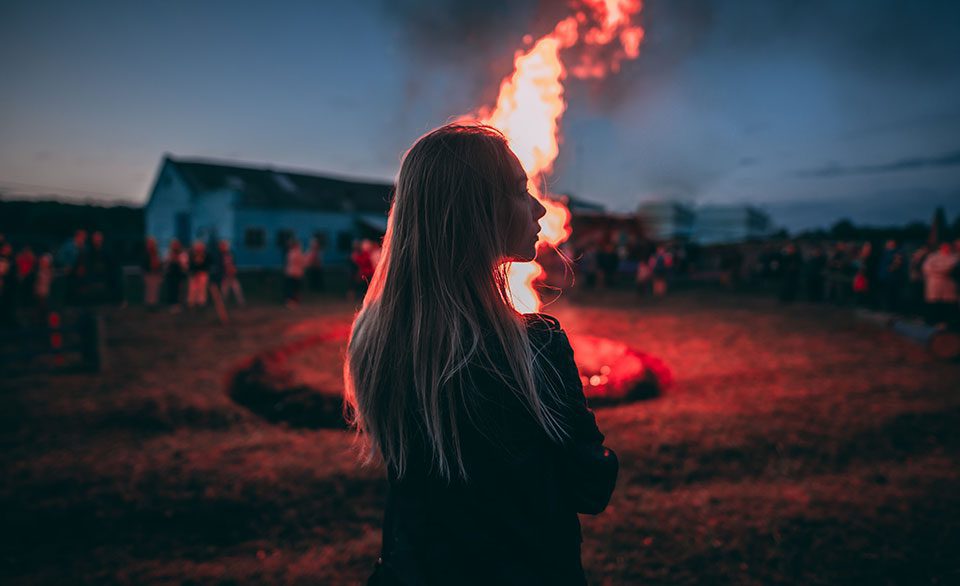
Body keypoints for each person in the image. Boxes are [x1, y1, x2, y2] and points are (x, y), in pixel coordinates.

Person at [345, 124, 618, 586]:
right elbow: (588, 486)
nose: (538, 209)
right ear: (471, 212)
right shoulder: (532, 346)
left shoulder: (376, 339)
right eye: (518, 191)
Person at [922, 242, 959, 328]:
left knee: (947, 304)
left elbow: (949, 268)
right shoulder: (932, 256)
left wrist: (936, 270)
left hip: (948, 285)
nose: (945, 248)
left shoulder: (954, 258)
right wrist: (940, 271)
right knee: (933, 304)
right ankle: (932, 322)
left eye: (947, 247)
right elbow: (926, 268)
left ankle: (946, 323)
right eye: (944, 247)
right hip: (934, 284)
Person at [217, 240, 245, 306]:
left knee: (237, 289)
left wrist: (233, 270)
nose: (224, 247)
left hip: (232, 275)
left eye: (225, 246)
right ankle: (223, 303)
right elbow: (219, 266)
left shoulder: (230, 254)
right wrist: (223, 272)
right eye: (223, 246)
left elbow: (233, 263)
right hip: (225, 275)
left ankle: (241, 303)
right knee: (224, 290)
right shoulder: (219, 255)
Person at [186, 240, 211, 308]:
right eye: (198, 247)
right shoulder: (191, 255)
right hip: (193, 274)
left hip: (203, 274)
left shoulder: (206, 255)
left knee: (202, 289)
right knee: (192, 289)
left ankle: (201, 302)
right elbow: (190, 265)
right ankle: (191, 302)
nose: (199, 248)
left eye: (200, 247)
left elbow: (208, 265)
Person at [141, 237, 164, 309]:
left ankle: (154, 304)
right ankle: (149, 304)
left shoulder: (157, 253)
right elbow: (143, 263)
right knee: (149, 290)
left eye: (152, 243)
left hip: (156, 273)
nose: (151, 245)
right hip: (148, 273)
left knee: (155, 290)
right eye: (150, 243)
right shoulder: (145, 253)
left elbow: (159, 262)